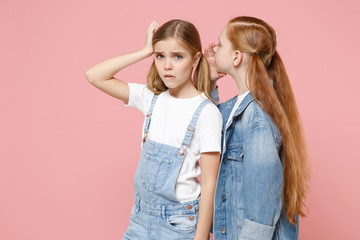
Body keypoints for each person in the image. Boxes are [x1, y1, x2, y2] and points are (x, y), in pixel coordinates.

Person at [85, 19, 222, 240]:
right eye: (160, 56)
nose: (167, 65)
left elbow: (209, 184)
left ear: (196, 58)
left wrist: (201, 238)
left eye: (178, 56)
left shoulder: (207, 113)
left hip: (180, 224)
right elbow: (95, 75)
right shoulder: (151, 99)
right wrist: (144, 50)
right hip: (140, 218)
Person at [204, 16, 309, 239]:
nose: (214, 49)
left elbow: (262, 210)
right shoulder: (236, 107)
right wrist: (210, 81)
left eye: (220, 43)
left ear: (236, 57)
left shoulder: (257, 117)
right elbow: (207, 130)